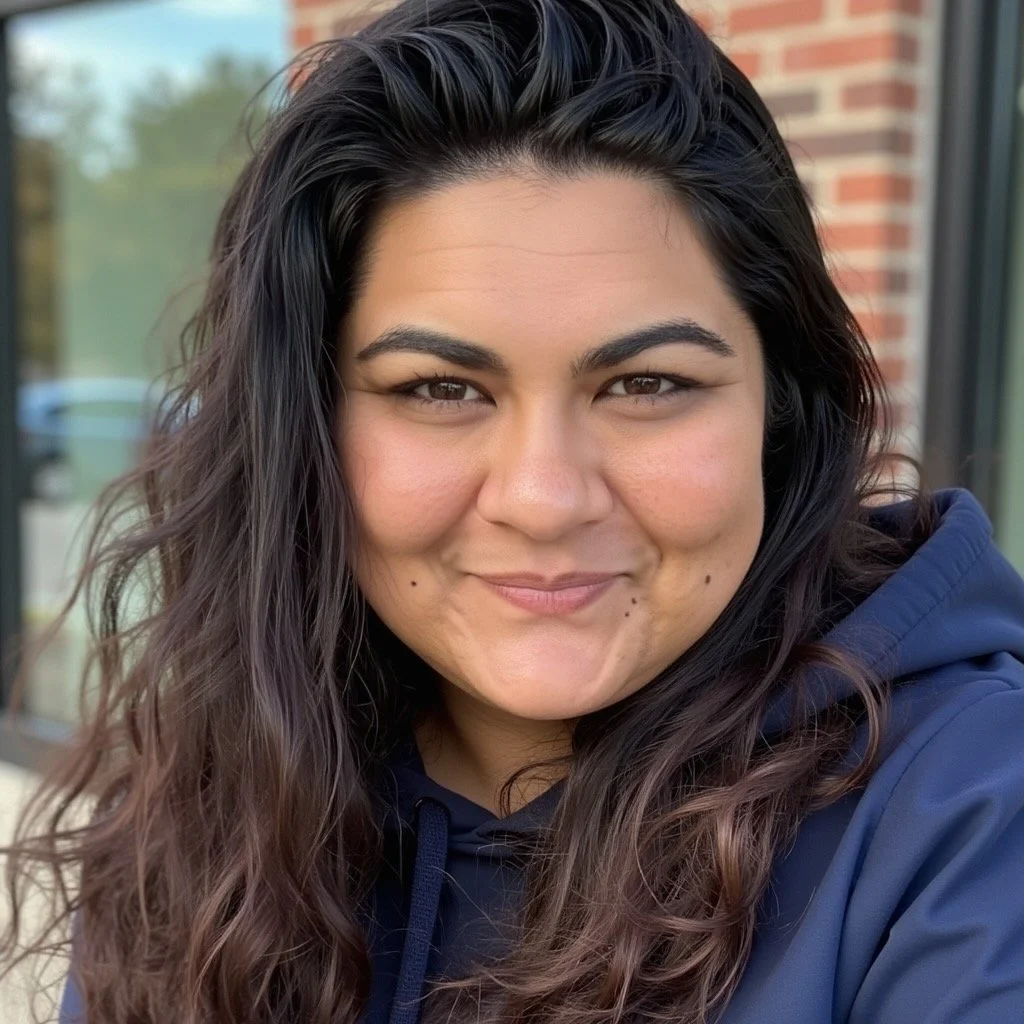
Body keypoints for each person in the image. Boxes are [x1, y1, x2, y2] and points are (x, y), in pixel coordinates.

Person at [1, 0, 1022, 1021]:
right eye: (439, 389)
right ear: (304, 428)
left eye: (647, 383)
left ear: (779, 410)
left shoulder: (973, 806)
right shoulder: (206, 808)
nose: (541, 499)